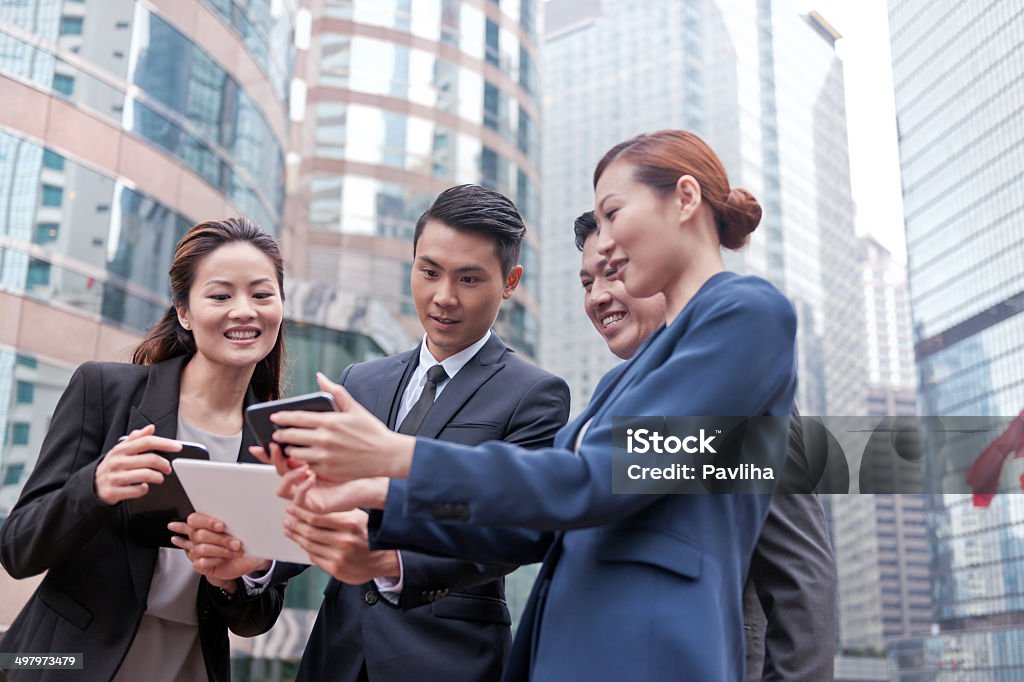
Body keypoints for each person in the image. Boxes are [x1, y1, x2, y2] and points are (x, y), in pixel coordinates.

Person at [269, 130, 799, 681]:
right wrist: (383, 514)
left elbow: (595, 478)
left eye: (614, 214)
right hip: (566, 654)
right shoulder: (623, 381)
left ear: (686, 199)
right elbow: (533, 525)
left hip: (650, 653)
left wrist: (398, 457)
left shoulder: (747, 314)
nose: (607, 241)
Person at [185, 184, 571, 682]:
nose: (443, 297)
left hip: (448, 662)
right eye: (428, 272)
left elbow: (509, 527)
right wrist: (259, 560)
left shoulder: (535, 394)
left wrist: (390, 561)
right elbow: (316, 504)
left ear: (511, 281)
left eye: (469, 279)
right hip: (337, 655)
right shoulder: (360, 381)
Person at [0, 218, 288, 682]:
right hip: (65, 662)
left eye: (261, 294)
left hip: (188, 665)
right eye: (220, 295)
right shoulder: (104, 390)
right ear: (184, 311)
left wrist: (237, 578)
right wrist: (95, 486)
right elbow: (18, 550)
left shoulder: (279, 442)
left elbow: (256, 619)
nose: (244, 311)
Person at [574, 210, 837, 681]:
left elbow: (802, 578)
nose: (598, 297)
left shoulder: (736, 385)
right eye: (586, 283)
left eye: (612, 273)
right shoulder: (606, 396)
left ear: (659, 268)